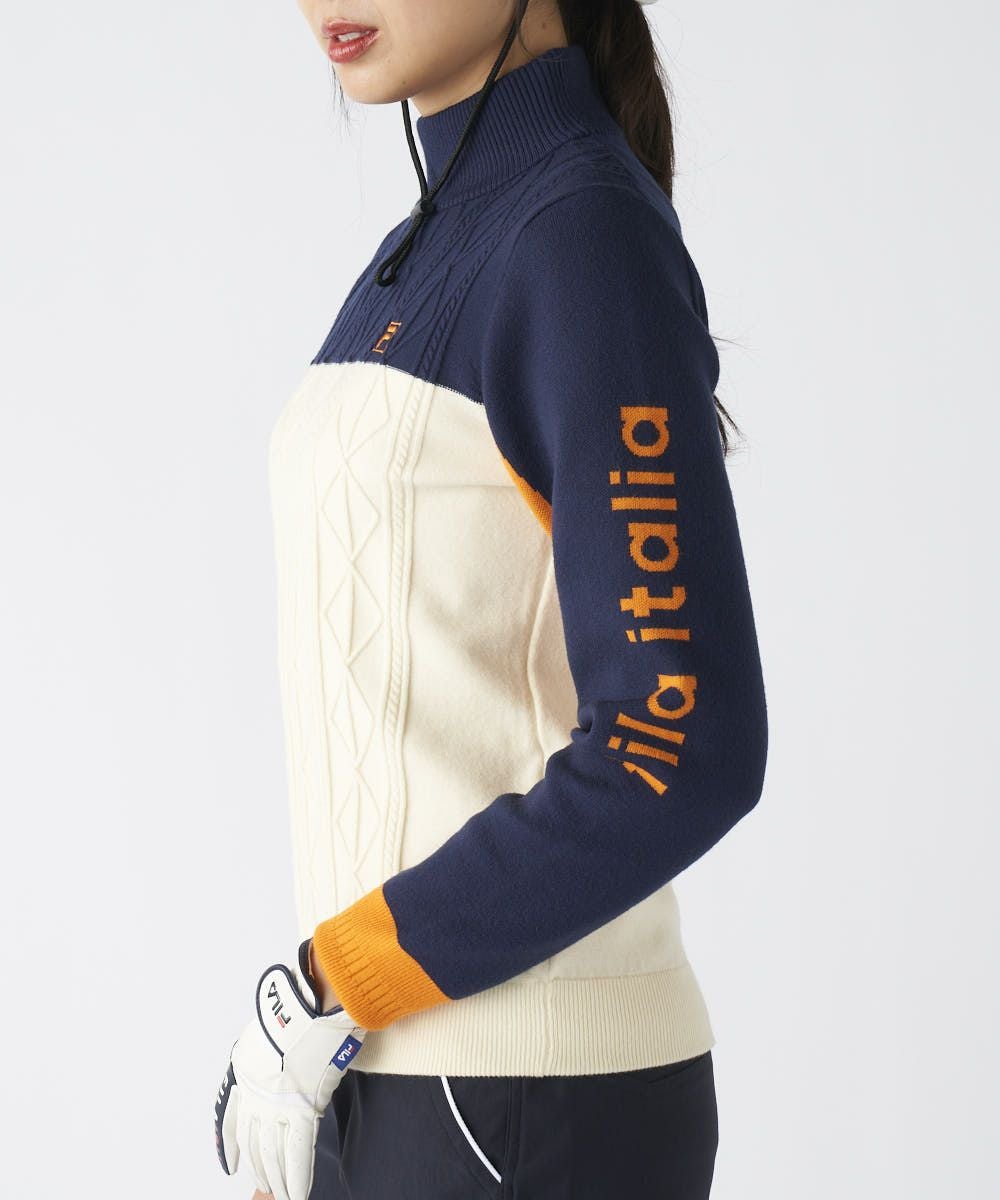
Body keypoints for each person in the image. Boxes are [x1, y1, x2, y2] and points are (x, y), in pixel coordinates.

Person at [213, 2, 769, 1197]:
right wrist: (322, 1022)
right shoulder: (444, 230)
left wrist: (335, 979)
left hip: (522, 1098)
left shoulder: (577, 231)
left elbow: (682, 746)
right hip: (400, 1074)